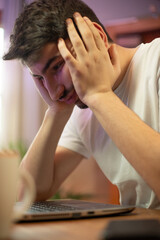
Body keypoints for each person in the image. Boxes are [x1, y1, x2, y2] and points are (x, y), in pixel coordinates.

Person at [3, 0, 160, 208]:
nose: (54, 91)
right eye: (40, 78)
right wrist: (56, 112)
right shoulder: (83, 110)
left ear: (97, 38)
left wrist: (99, 94)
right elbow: (27, 195)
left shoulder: (155, 61)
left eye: (58, 66)